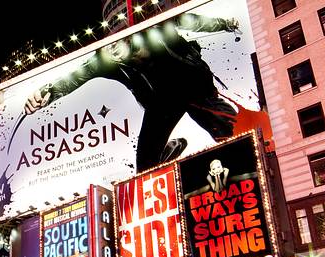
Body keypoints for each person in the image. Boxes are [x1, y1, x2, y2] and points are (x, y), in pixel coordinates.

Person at [23, 12, 241, 172]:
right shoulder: (103, 61)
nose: (114, 49)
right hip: (160, 104)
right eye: (109, 45)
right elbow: (72, 79)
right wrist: (46, 92)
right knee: (144, 168)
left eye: (119, 41)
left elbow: (193, 21)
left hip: (192, 87)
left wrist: (225, 23)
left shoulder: (156, 26)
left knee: (231, 130)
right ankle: (165, 152)